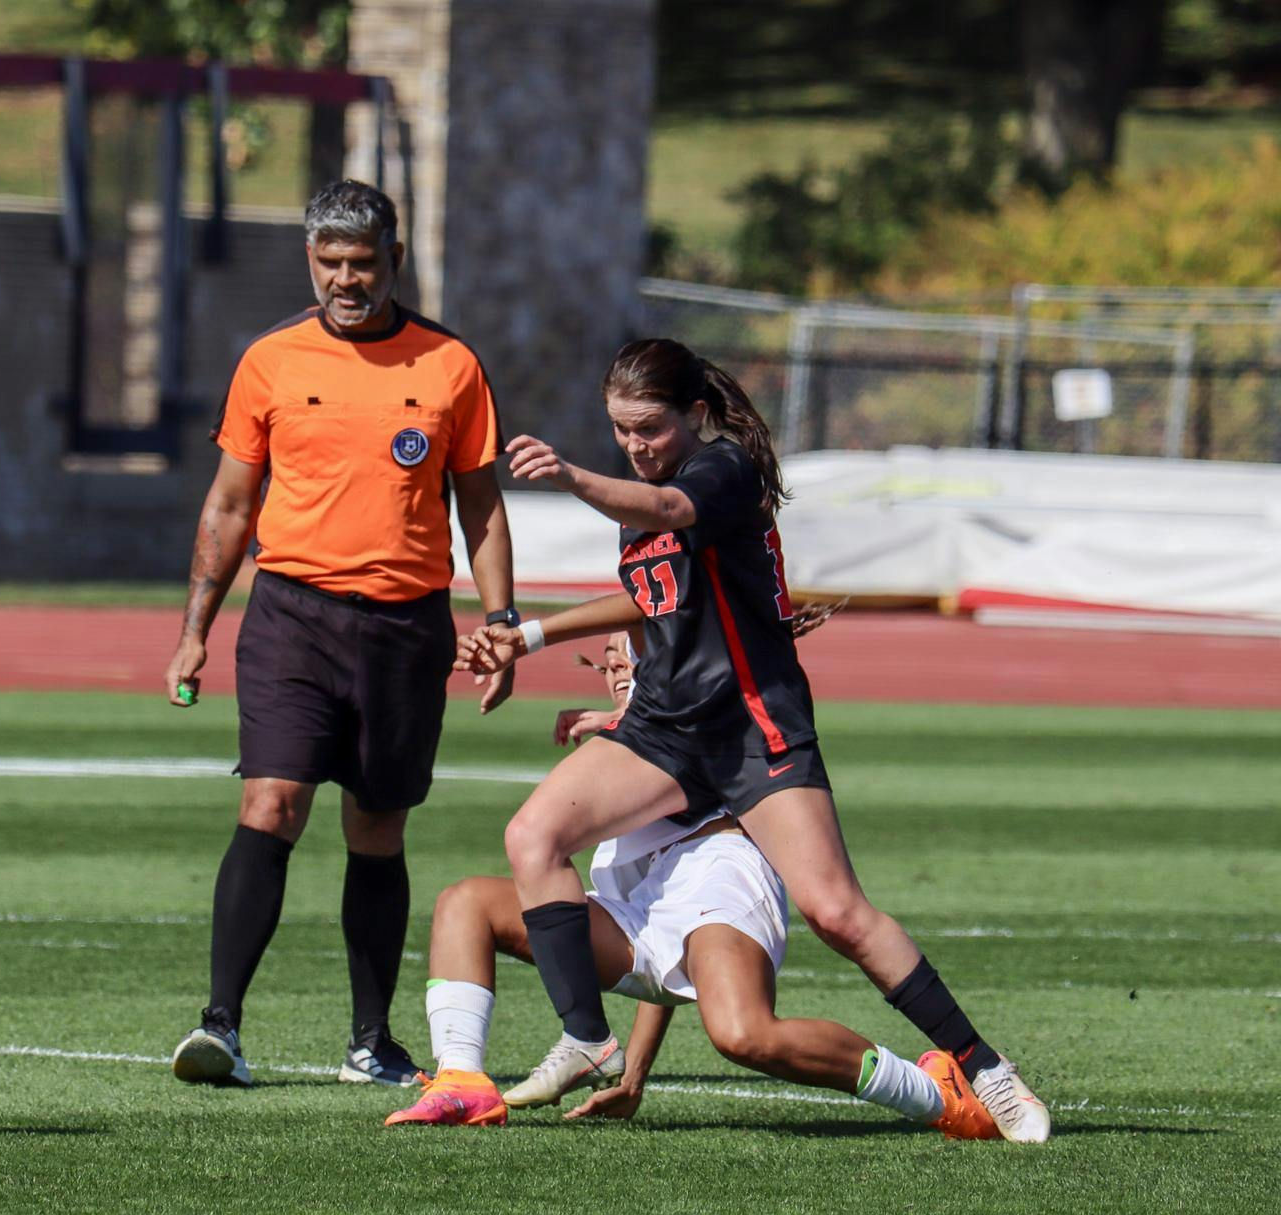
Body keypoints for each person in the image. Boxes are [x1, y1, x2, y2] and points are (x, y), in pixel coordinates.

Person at [455, 339, 1051, 1143]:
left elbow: (662, 514)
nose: (635, 444)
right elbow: (645, 595)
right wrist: (529, 635)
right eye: (621, 430)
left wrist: (569, 478)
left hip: (752, 727)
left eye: (650, 428)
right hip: (667, 730)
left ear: (696, 415)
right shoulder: (651, 489)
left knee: (839, 914)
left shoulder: (719, 471)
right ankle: (586, 1038)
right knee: (533, 834)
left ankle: (985, 1070)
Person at [165, 180, 518, 1088]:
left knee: (377, 826)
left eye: (363, 263)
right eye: (330, 263)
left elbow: (480, 508)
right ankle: (221, 1028)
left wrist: (502, 619)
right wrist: (194, 629)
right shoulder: (271, 361)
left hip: (407, 630)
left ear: (395, 260)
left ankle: (372, 1038)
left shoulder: (449, 366)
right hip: (291, 615)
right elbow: (231, 503)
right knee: (271, 804)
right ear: (309, 262)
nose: (346, 280)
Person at [386, 633, 998, 1140]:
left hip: (721, 878)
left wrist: (531, 634)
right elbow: (660, 943)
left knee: (744, 1034)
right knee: (465, 903)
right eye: (610, 656)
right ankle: (461, 1080)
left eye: (633, 649)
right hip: (643, 912)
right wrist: (635, 1074)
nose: (619, 661)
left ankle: (932, 1090)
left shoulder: (692, 722)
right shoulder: (617, 749)